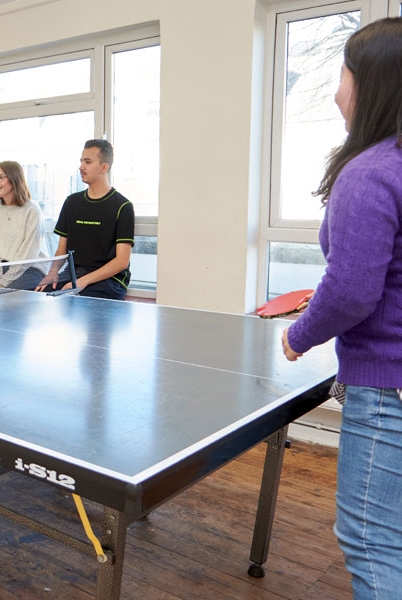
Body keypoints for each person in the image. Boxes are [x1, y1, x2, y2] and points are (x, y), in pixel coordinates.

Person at [280, 18, 402, 599]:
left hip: (388, 386)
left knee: (372, 542)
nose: (335, 91)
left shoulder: (372, 169)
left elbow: (353, 290)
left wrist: (302, 333)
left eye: (343, 73)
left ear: (373, 82)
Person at [35, 139, 134, 299]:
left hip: (110, 280)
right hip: (74, 274)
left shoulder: (123, 206)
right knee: (40, 294)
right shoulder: (71, 202)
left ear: (104, 167)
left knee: (75, 300)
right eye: (81, 161)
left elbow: (121, 261)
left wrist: (83, 281)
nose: (81, 167)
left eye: (87, 162)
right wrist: (53, 273)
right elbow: (62, 250)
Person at [0, 160, 47, 288]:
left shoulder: (32, 210)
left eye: (1, 177)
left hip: (30, 268)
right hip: (1, 268)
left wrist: (4, 282)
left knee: (6, 295)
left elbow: (28, 254)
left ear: (15, 179)